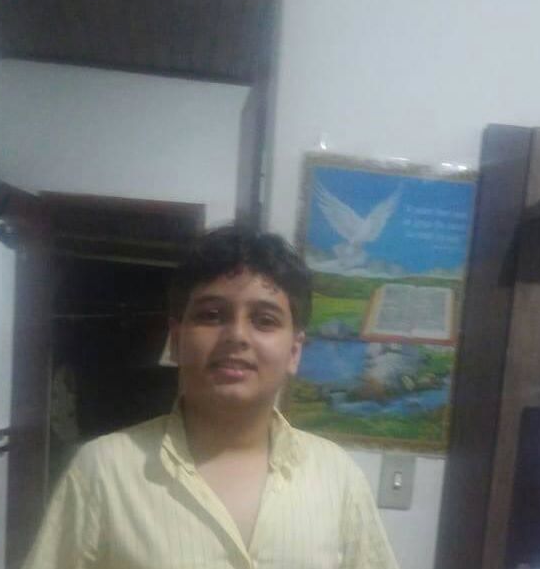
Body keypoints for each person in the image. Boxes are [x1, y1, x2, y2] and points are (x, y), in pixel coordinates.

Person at [23, 225, 398, 569]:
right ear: (176, 339)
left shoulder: (338, 478)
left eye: (265, 320)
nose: (237, 336)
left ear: (294, 351)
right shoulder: (104, 471)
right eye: (212, 315)